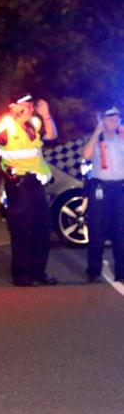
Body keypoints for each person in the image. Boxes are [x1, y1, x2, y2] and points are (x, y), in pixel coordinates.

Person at [0, 91, 58, 286]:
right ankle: (22, 275)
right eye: (25, 106)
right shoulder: (7, 125)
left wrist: (47, 115)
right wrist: (8, 116)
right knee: (21, 231)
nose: (30, 109)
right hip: (18, 185)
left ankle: (39, 272)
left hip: (37, 184)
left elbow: (51, 135)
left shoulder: (34, 123)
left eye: (31, 106)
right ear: (15, 107)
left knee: (42, 229)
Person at [82, 106, 124, 282]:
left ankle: (121, 271)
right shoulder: (96, 139)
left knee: (120, 232)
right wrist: (96, 131)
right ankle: (93, 270)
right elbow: (86, 155)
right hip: (101, 189)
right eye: (110, 119)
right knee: (97, 231)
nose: (115, 122)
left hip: (120, 189)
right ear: (102, 121)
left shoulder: (121, 139)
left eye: (117, 119)